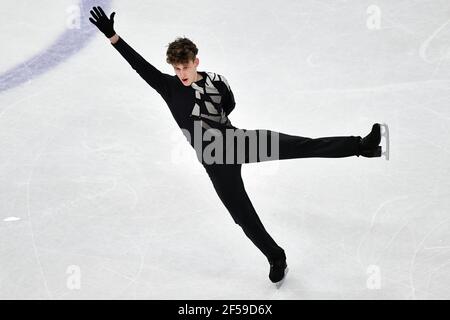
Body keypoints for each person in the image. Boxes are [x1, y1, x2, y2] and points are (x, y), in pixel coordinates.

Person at [88, 6, 388, 286]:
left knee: (298, 145)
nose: (181, 73)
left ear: (196, 61)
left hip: (237, 143)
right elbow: (139, 66)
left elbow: (229, 105)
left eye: (186, 66)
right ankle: (276, 257)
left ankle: (363, 145)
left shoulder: (216, 82)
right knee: (243, 216)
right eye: (177, 68)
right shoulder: (167, 87)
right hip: (213, 162)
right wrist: (113, 37)